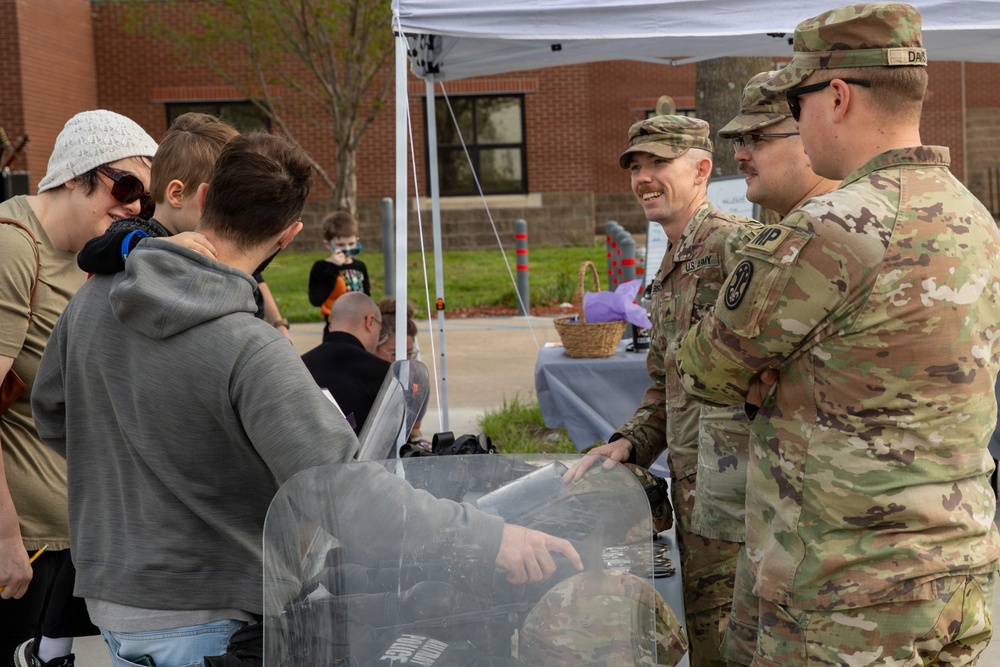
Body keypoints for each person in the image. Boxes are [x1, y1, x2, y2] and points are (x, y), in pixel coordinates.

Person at [30, 132, 582, 667]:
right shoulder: (253, 349)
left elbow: (52, 416)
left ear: (204, 199)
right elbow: (345, 492)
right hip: (213, 623)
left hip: (111, 605)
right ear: (290, 235)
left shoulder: (94, 298)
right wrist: (491, 537)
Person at [675, 3, 1000, 663]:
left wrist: (773, 378)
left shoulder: (833, 226)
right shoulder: (975, 218)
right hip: (954, 579)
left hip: (843, 595)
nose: (797, 121)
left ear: (839, 96)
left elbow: (704, 369)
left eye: (798, 103)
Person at [568, 114, 761, 666]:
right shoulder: (672, 266)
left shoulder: (737, 249)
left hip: (745, 501)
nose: (644, 177)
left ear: (702, 169)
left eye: (658, 163)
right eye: (636, 165)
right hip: (699, 502)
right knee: (711, 647)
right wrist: (627, 443)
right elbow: (665, 387)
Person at [0, 109, 157, 667]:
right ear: (74, 174)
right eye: (127, 184)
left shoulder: (89, 256)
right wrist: (5, 541)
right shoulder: (15, 248)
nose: (136, 205)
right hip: (29, 545)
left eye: (147, 195)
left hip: (77, 537)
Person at [712, 71, 840, 666]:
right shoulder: (776, 234)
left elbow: (711, 366)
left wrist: (759, 375)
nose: (740, 153)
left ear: (808, 133)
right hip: (778, 529)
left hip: (820, 553)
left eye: (757, 138)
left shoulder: (816, 238)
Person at [76, 112, 294, 341]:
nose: (230, 215)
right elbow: (90, 255)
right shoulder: (138, 232)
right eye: (217, 201)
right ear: (177, 194)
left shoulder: (210, 243)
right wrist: (155, 247)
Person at [301, 292, 391, 435]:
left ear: (331, 326)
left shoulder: (299, 366)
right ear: (370, 322)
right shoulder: (382, 372)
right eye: (380, 330)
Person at [309, 210, 371, 343]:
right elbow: (316, 299)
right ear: (328, 245)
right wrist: (333, 267)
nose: (347, 249)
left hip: (360, 326)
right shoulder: (321, 267)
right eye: (341, 245)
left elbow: (367, 295)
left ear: (357, 241)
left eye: (351, 244)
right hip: (335, 327)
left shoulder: (360, 266)